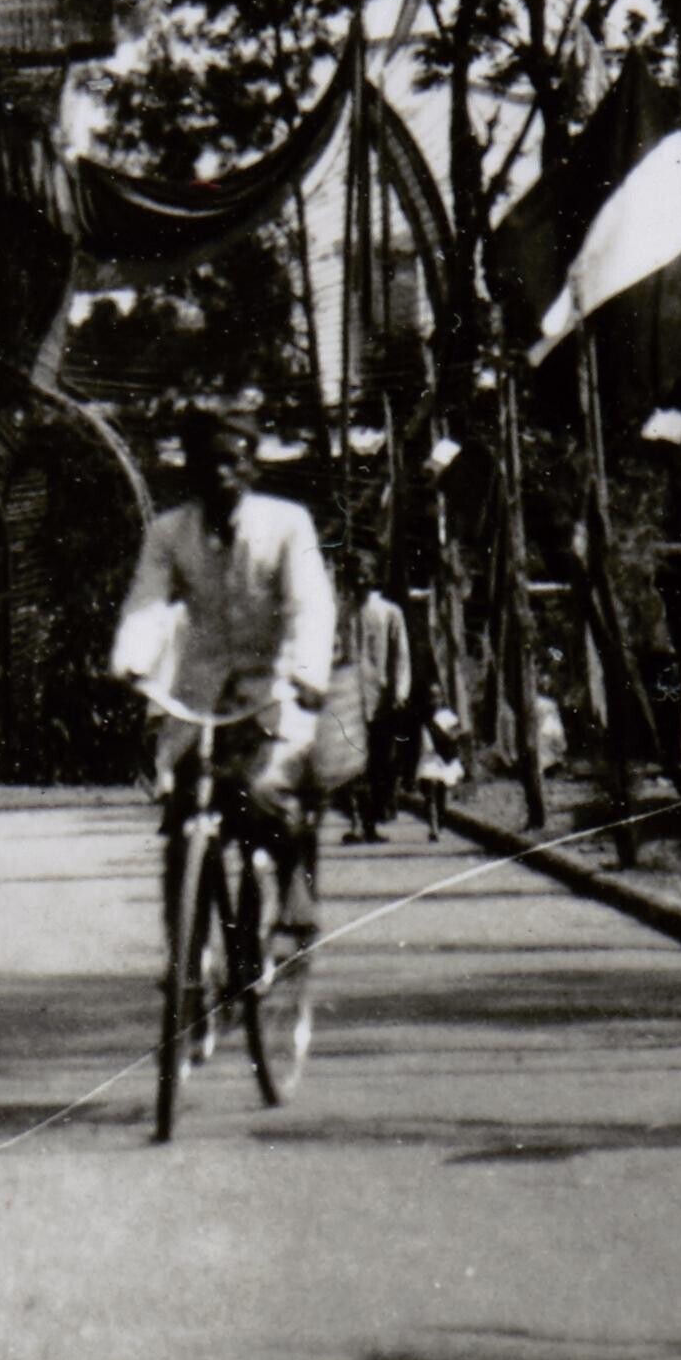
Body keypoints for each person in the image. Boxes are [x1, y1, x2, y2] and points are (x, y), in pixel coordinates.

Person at [108, 394, 337, 948]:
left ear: (251, 465)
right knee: (183, 812)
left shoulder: (287, 525)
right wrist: (132, 663)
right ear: (191, 468)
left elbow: (310, 604)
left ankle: (292, 889)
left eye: (234, 460)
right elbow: (146, 603)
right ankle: (185, 960)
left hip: (275, 687)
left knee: (265, 794)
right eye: (208, 462)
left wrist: (308, 674)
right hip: (201, 696)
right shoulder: (170, 533)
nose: (222, 474)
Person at [348, 579, 416, 842]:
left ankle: (371, 822)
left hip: (381, 700)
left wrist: (400, 691)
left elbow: (401, 654)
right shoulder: (344, 611)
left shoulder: (389, 612)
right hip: (350, 697)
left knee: (380, 762)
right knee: (351, 764)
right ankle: (357, 822)